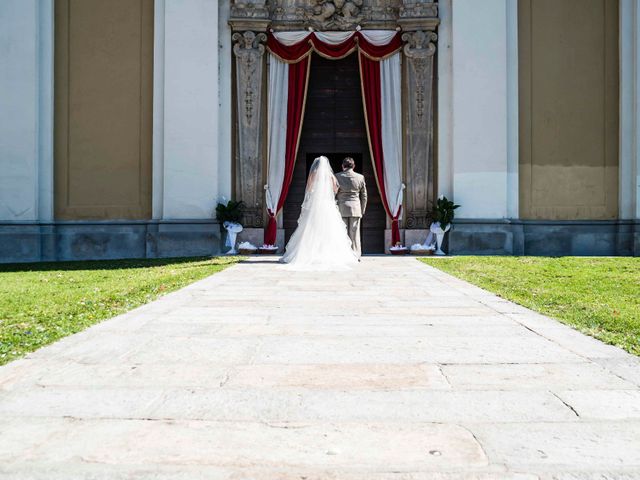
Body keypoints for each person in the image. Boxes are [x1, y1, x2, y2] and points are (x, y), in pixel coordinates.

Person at [280, 156, 359, 270]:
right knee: (329, 229)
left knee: (312, 228)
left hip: (316, 203)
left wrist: (313, 194)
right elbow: (335, 189)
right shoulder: (331, 175)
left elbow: (308, 189)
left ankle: (310, 253)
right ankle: (327, 253)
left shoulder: (313, 174)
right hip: (327, 204)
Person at [334, 156, 367, 257]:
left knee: (342, 233)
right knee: (354, 234)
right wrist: (362, 209)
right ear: (354, 166)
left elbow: (333, 193)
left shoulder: (336, 176)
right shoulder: (360, 177)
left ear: (343, 166)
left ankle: (343, 255)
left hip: (341, 209)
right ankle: (356, 255)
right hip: (356, 209)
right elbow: (364, 195)